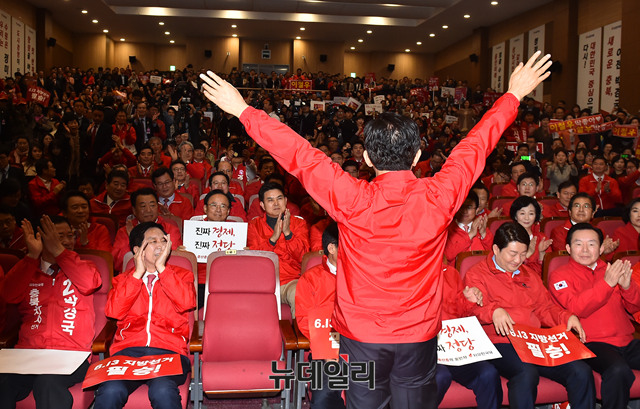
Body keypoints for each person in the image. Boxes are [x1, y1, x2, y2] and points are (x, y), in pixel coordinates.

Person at [201, 51, 553, 408]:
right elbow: (475, 147)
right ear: (417, 157)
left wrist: (243, 110)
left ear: (367, 159)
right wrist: (513, 95)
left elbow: (300, 155)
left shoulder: (352, 197)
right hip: (418, 337)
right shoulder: (439, 195)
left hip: (363, 337)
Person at [464, 222, 594, 409]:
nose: (518, 260)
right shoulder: (477, 274)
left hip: (533, 341)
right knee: (526, 372)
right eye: (512, 254)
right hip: (500, 342)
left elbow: (544, 308)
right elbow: (471, 310)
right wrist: (494, 311)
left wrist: (566, 317)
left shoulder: (529, 275)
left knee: (580, 371)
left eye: (523, 254)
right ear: (496, 249)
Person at [0, 215, 102, 409]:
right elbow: (8, 294)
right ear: (40, 238)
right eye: (58, 236)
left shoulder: (85, 266)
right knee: (4, 382)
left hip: (71, 356)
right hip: (28, 354)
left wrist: (59, 252)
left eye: (69, 235)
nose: (66, 241)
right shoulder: (28, 270)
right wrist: (31, 257)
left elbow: (89, 283)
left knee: (47, 382)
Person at [94, 222, 196, 409]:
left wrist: (162, 269)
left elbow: (186, 302)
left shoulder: (182, 275)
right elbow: (114, 311)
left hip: (169, 352)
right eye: (153, 241)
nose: (160, 245)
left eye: (163, 241)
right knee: (110, 390)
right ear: (137, 250)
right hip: (128, 353)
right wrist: (137, 274)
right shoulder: (123, 280)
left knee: (162, 390)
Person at [548, 223, 640, 409]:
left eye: (591, 244)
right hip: (590, 344)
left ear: (601, 248)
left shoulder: (611, 270)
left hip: (627, 341)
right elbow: (576, 308)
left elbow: (635, 307)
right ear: (568, 248)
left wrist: (628, 287)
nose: (585, 250)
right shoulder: (559, 276)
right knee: (617, 370)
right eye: (578, 244)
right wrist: (607, 284)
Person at [435, 263, 501, 409]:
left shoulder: (449, 272)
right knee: (440, 376)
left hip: (453, 345)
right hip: (423, 347)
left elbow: (460, 313)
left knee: (488, 373)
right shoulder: (407, 274)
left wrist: (468, 301)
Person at [295, 222, 346, 409]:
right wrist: (326, 348)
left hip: (359, 349)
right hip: (324, 350)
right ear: (332, 248)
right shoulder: (311, 278)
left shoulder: (362, 276)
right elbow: (304, 320)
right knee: (324, 396)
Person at [247, 182, 309, 316]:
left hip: (290, 281)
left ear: (285, 201)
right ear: (262, 205)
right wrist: (273, 239)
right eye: (270, 200)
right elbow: (254, 259)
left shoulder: (299, 224)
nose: (276, 203)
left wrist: (288, 234)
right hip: (262, 283)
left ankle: (300, 330)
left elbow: (303, 257)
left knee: (299, 292)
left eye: (279, 198)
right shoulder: (253, 226)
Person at [112, 188, 182, 273]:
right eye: (143, 206)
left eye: (152, 205)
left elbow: (174, 260)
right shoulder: (124, 231)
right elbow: (118, 263)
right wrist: (133, 239)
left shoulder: (170, 229)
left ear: (157, 207)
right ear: (134, 210)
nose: (148, 210)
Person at [550, 192, 619, 253]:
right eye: (577, 206)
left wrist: (606, 251)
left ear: (593, 213)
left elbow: (604, 258)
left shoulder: (598, 231)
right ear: (570, 212)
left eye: (586, 206)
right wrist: (598, 250)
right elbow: (564, 257)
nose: (581, 210)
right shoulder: (558, 232)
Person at [444, 191, 492, 265]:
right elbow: (448, 255)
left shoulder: (482, 227)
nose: (465, 211)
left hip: (481, 270)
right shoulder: (448, 229)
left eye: (469, 207)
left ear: (477, 210)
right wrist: (470, 234)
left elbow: (494, 253)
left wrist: (483, 234)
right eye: (461, 207)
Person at [509, 196, 552, 274]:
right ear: (515, 216)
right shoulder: (508, 237)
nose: (526, 218)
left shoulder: (542, 238)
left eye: (531, 214)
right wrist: (528, 254)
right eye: (522, 213)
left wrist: (541, 253)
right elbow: (507, 267)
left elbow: (547, 271)